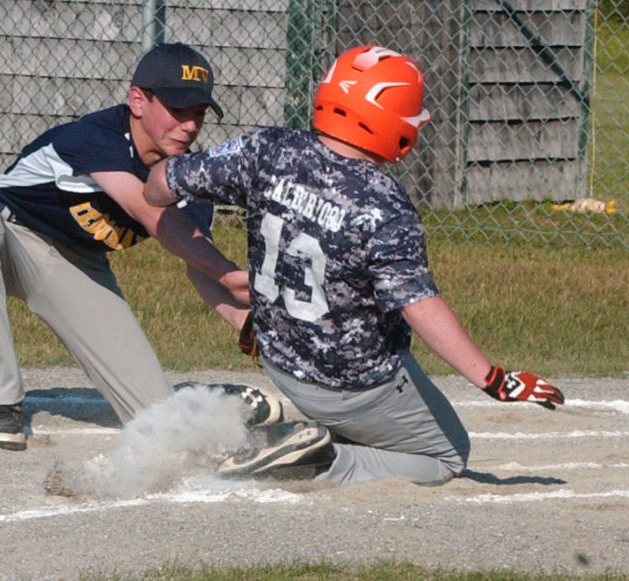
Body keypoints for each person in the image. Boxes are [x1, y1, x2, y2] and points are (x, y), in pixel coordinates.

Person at [143, 45, 565, 486]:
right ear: (392, 121)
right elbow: (419, 305)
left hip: (278, 359)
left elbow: (159, 187)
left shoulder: (267, 148)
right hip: (354, 385)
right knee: (447, 455)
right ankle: (321, 461)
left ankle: (287, 424)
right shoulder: (384, 204)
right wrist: (492, 378)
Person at [0, 42, 278, 452]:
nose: (190, 125)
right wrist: (230, 274)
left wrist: (245, 322)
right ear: (138, 100)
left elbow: (196, 259)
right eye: (178, 109)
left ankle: (217, 400)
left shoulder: (189, 175)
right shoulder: (97, 136)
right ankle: (1, 404)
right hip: (8, 240)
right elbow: (149, 212)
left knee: (156, 421)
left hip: (75, 267)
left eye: (199, 113)